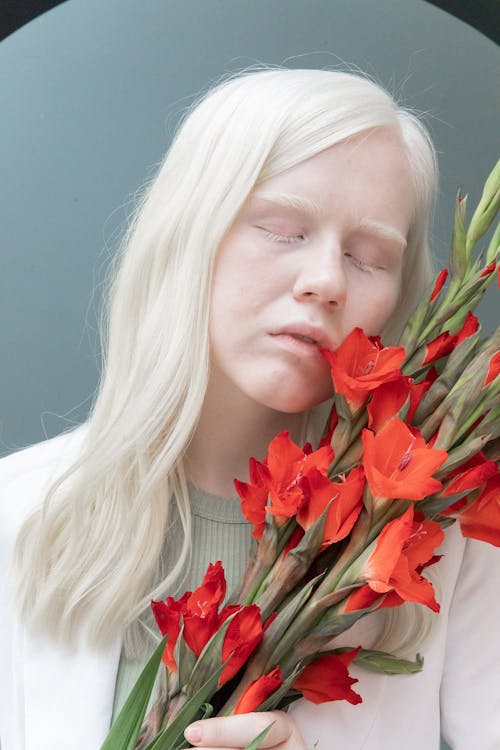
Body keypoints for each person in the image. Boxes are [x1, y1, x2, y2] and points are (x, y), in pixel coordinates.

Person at [0, 67, 498, 750]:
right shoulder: (14, 515)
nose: (325, 280)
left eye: (367, 255)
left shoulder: (450, 545)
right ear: (189, 235)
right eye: (283, 229)